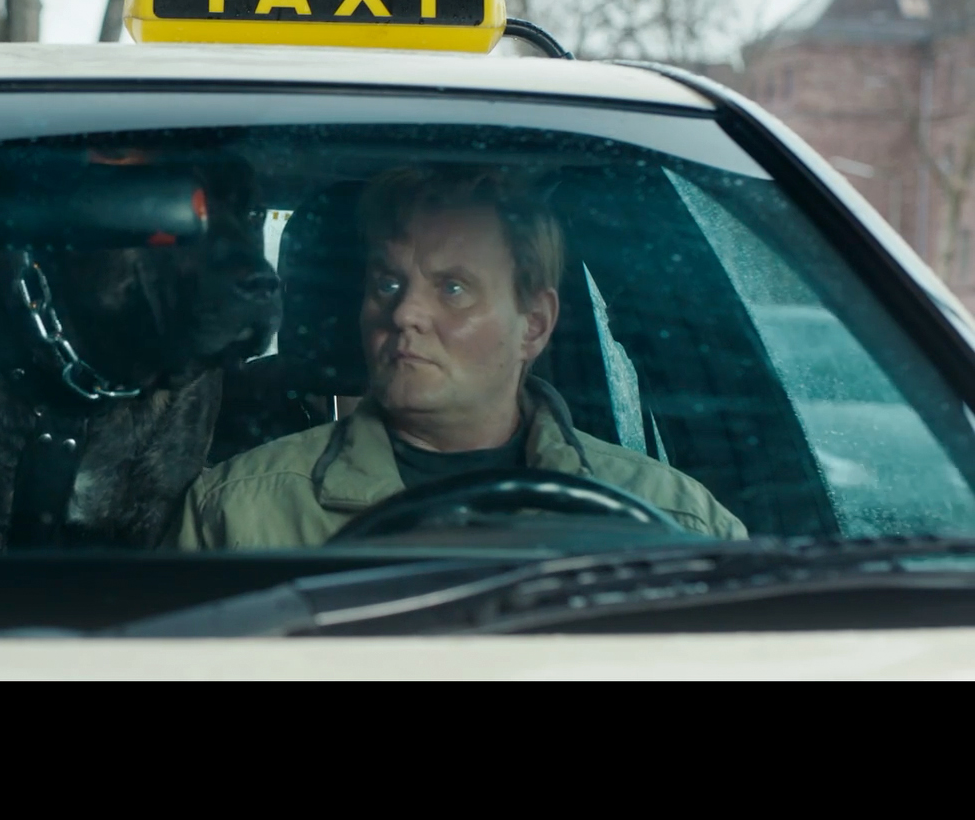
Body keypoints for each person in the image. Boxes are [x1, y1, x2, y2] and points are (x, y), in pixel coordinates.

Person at [172, 165, 746, 549]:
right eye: (388, 284)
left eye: (452, 289)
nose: (404, 313)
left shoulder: (675, 520)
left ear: (534, 325)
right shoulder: (237, 514)